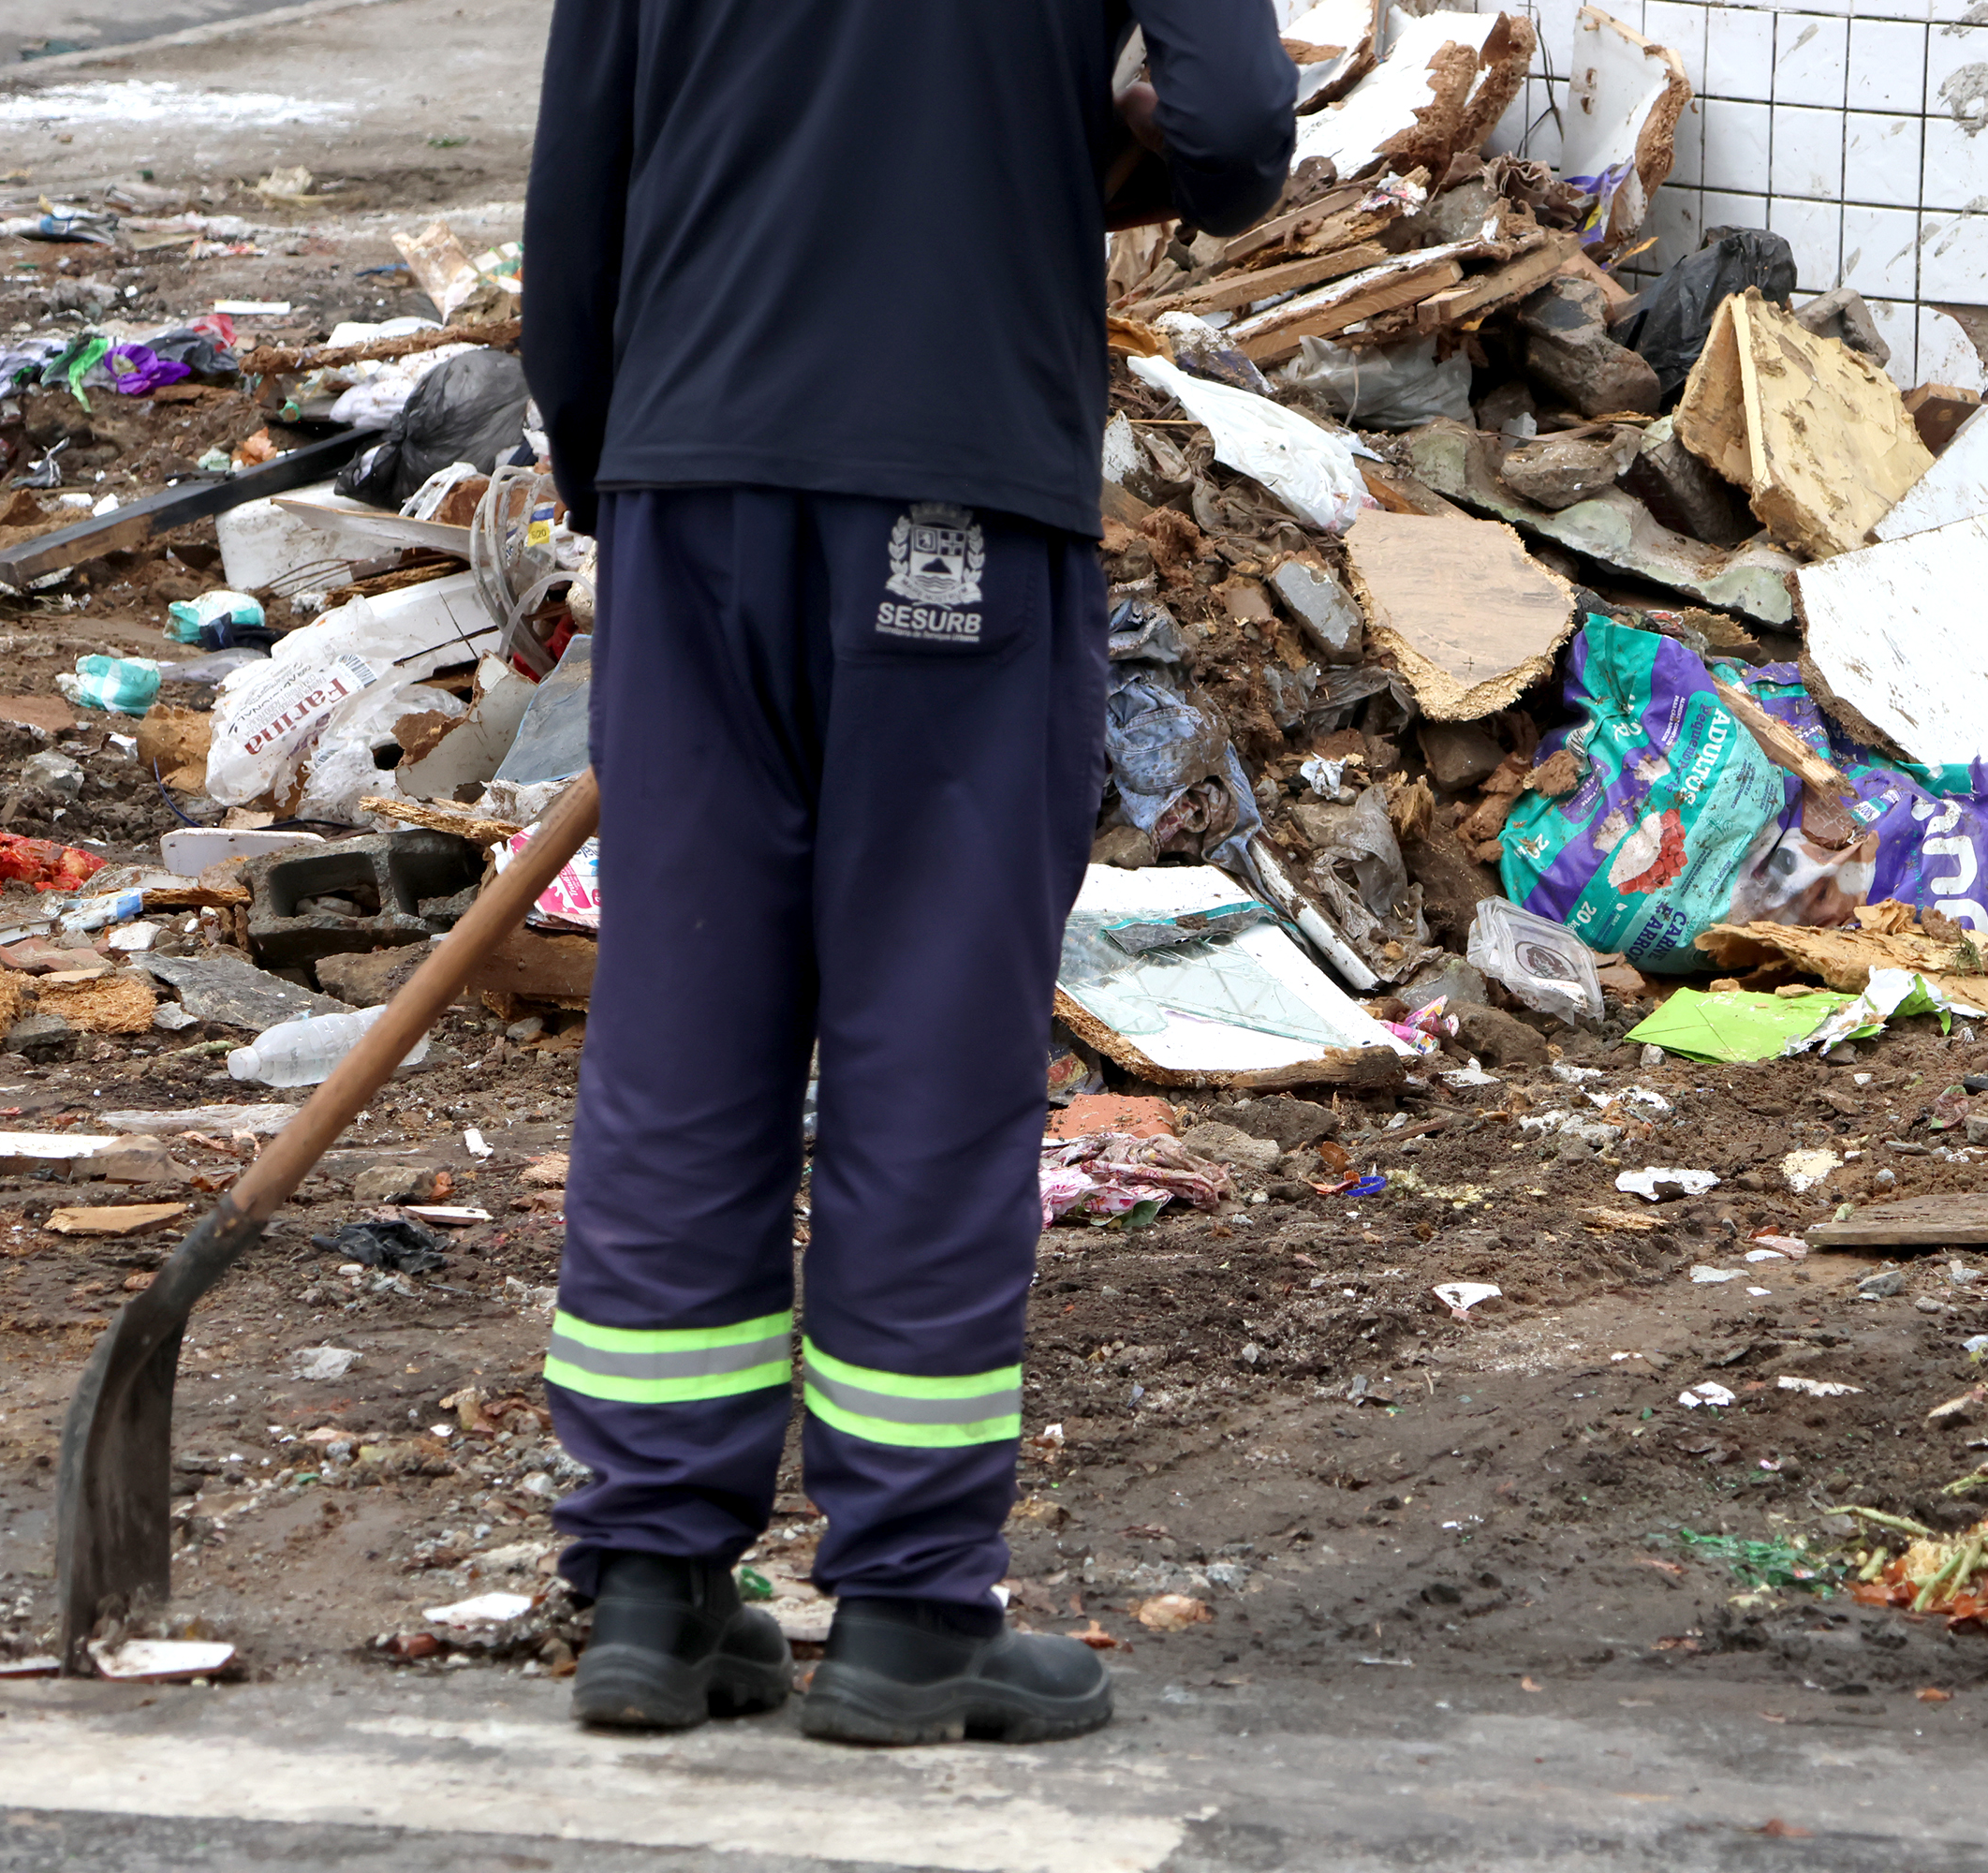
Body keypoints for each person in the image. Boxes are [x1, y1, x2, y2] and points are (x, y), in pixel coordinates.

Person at [519, 0, 1294, 1746]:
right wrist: (1051, 155)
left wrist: (624, 482)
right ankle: (908, 1613)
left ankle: (649, 1590)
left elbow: (576, 202)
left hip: (689, 477)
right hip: (958, 486)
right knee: (929, 1043)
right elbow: (1237, 123)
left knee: (683, 1026)